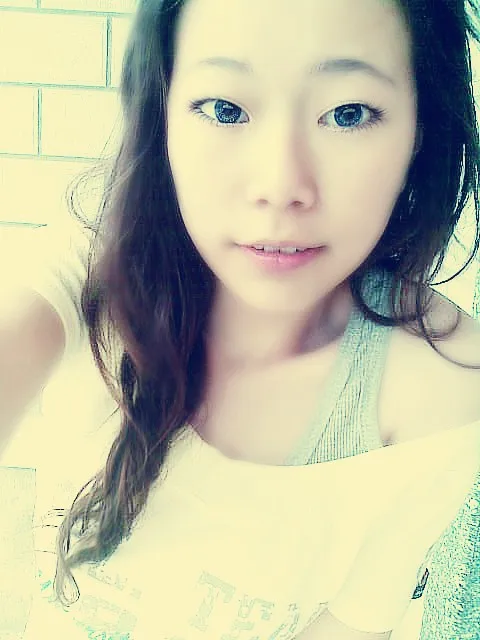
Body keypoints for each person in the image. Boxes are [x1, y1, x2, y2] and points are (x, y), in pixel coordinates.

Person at [1, 0, 480, 638]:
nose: (279, 186)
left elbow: (353, 620)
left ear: (419, 131)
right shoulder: (96, 268)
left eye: (347, 113)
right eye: (225, 109)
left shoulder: (446, 382)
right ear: (164, 115)